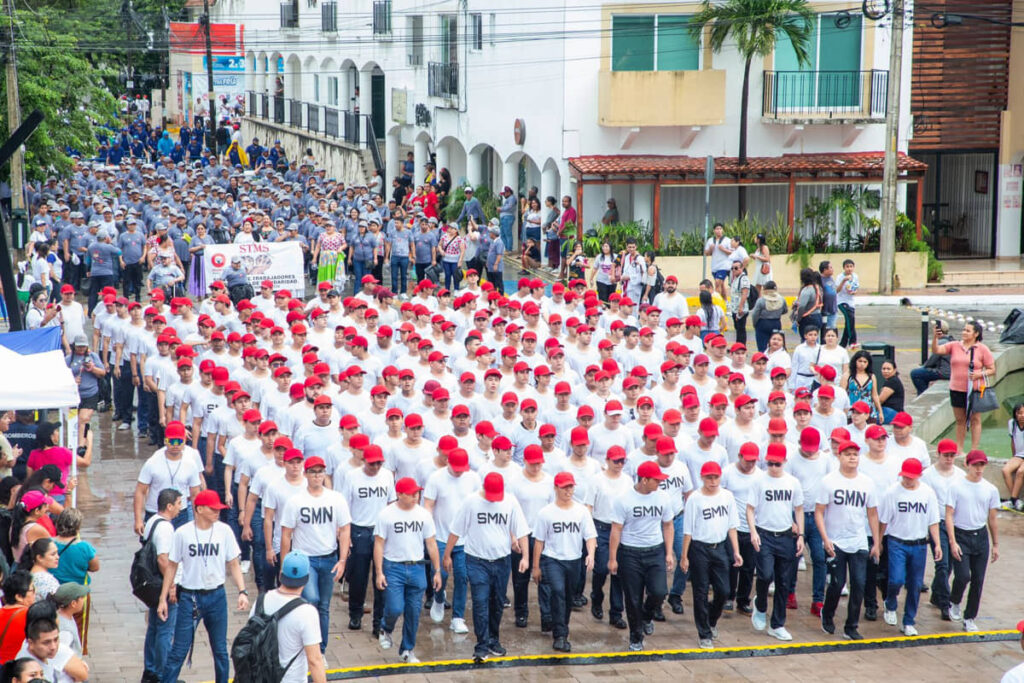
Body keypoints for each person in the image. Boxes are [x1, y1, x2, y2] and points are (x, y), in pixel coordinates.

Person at [158, 489, 249, 683]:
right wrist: (163, 598)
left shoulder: (224, 531)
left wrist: (242, 591)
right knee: (179, 650)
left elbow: (233, 563)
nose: (217, 512)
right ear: (199, 509)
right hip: (190, 597)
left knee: (220, 650)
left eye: (219, 509)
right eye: (213, 509)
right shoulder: (182, 533)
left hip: (217, 595)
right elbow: (172, 566)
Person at [444, 472, 529, 663]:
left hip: (502, 560)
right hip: (477, 561)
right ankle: (481, 646)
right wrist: (447, 554)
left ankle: (493, 639)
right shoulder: (471, 502)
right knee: (480, 602)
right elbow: (456, 530)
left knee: (497, 603)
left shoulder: (510, 501)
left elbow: (522, 530)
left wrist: (525, 556)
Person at [279, 456, 351, 658]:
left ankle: (320, 651)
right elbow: (286, 533)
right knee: (312, 599)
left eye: (320, 472)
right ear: (306, 474)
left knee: (324, 607)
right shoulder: (296, 501)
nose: (317, 475)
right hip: (304, 559)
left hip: (328, 557)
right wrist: (285, 564)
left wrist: (342, 560)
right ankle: (306, 644)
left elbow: (345, 529)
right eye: (313, 472)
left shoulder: (336, 499)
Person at [815, 440, 881, 640]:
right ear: (839, 456)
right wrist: (825, 538)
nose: (852, 457)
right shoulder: (829, 481)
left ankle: (851, 626)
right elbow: (819, 512)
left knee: (859, 584)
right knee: (837, 583)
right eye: (848, 454)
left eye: (855, 454)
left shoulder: (867, 482)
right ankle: (827, 613)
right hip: (836, 541)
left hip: (859, 541)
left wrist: (876, 543)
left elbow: (872, 514)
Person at [373, 477, 441, 663]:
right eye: (411, 494)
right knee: (395, 607)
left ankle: (407, 649)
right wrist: (379, 572)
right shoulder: (386, 514)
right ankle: (386, 627)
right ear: (399, 495)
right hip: (393, 566)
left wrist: (437, 570)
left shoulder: (423, 515)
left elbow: (431, 543)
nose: (416, 496)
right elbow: (379, 544)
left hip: (417, 566)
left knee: (413, 611)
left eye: (417, 492)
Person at [608, 461, 674, 652]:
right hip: (630, 553)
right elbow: (616, 530)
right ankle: (636, 635)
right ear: (644, 480)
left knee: (659, 591)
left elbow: (668, 525)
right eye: (656, 480)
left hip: (655, 550)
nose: (659, 484)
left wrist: (669, 553)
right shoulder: (624, 500)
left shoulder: (663, 497)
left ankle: (646, 615)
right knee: (633, 598)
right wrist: (613, 558)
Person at [532, 472, 597, 652]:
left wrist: (590, 554)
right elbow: (539, 541)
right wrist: (536, 566)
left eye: (571, 487)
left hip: (574, 560)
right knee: (558, 592)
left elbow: (590, 536)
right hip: (552, 559)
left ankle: (561, 625)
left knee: (568, 597)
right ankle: (560, 635)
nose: (569, 491)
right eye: (565, 487)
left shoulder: (581, 511)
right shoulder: (546, 513)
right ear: (556, 488)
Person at [682, 461, 742, 649]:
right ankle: (704, 633)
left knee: (724, 590)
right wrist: (684, 556)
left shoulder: (727, 496)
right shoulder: (695, 499)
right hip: (699, 548)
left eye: (716, 477)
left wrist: (736, 551)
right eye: (709, 477)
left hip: (720, 547)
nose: (713, 481)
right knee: (700, 591)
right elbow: (688, 530)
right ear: (702, 478)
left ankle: (711, 619)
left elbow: (732, 526)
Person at [878, 458, 941, 636]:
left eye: (911, 477)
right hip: (897, 541)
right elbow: (884, 520)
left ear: (919, 476)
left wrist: (937, 544)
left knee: (915, 584)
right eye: (905, 477)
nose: (908, 480)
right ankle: (890, 603)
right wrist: (879, 542)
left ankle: (908, 621)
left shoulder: (927, 493)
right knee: (896, 579)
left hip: (919, 544)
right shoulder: (892, 492)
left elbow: (933, 521)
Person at [748, 443, 803, 641]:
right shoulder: (759, 481)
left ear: (784, 463)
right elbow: (750, 508)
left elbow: (798, 508)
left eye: (777, 464)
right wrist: (753, 532)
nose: (773, 467)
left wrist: (801, 535)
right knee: (764, 575)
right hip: (765, 534)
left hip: (786, 535)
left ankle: (777, 623)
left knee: (784, 582)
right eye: (770, 463)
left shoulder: (792, 482)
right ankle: (760, 604)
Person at [946, 449, 1000, 633]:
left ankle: (970, 617)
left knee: (978, 579)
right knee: (963, 576)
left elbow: (992, 518)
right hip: (961, 534)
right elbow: (949, 514)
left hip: (980, 536)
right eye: (975, 465)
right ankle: (954, 600)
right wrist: (953, 541)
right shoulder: (955, 486)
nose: (978, 469)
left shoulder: (990, 489)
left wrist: (996, 544)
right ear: (967, 465)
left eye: (981, 465)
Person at [930, 321, 995, 453]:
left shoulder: (982, 349)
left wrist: (979, 374)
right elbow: (937, 350)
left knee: (975, 419)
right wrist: (935, 338)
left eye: (968, 331)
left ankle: (974, 449)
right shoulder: (954, 345)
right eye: (964, 330)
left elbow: (991, 369)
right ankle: (959, 448)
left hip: (974, 389)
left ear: (976, 334)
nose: (964, 332)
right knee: (960, 420)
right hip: (956, 388)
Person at [141, 489, 182, 683]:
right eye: (179, 503)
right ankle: (163, 673)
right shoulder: (166, 528)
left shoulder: (152, 521)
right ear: (170, 506)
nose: (181, 507)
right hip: (161, 584)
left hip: (151, 583)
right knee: (166, 629)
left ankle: (151, 669)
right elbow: (163, 559)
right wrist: (171, 585)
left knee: (155, 629)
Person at [16, 614, 89, 683]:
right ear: (31, 643)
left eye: (56, 639)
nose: (53, 647)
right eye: (46, 642)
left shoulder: (44, 655)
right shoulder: (27, 668)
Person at [66, 335, 105, 448]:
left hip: (90, 394)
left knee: (83, 418)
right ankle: (79, 439)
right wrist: (72, 380)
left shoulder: (93, 356)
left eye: (83, 346)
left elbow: (102, 373)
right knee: (74, 420)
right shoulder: (69, 359)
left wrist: (92, 368)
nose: (81, 349)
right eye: (79, 347)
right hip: (74, 395)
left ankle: (81, 445)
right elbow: (62, 375)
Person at [0, 571, 35, 663]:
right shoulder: (30, 615)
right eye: (32, 590)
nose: (35, 593)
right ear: (19, 596)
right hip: (19, 666)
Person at [910, 320, 952, 394]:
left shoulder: (940, 343)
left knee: (915, 373)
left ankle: (922, 394)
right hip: (950, 370)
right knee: (924, 373)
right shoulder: (950, 339)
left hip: (945, 372)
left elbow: (931, 361)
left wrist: (923, 367)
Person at [52, 582, 89, 656]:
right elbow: (61, 655)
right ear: (73, 603)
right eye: (81, 598)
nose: (84, 600)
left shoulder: (63, 615)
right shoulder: (65, 631)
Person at [749, 281, 787, 352]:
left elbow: (755, 314)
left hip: (763, 323)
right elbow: (785, 310)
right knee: (776, 345)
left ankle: (763, 361)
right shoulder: (782, 299)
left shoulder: (761, 301)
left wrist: (755, 324)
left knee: (762, 347)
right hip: (776, 322)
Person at [791, 268, 823, 341]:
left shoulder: (807, 290)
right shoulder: (817, 288)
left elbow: (802, 306)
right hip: (817, 316)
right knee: (815, 340)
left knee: (806, 341)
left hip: (808, 318)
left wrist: (798, 320)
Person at [704, 223, 732, 301]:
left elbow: (732, 252)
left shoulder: (727, 240)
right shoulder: (710, 240)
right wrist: (710, 249)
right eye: (717, 229)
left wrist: (723, 249)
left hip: (724, 266)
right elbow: (706, 253)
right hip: (715, 266)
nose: (718, 230)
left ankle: (717, 302)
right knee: (721, 285)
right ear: (714, 230)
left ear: (722, 230)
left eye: (720, 229)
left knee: (717, 282)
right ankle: (725, 302)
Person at [836, 258, 860, 348]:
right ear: (844, 268)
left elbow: (856, 287)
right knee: (850, 318)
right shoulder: (840, 277)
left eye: (851, 266)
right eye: (847, 267)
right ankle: (852, 341)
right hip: (842, 301)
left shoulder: (855, 276)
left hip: (851, 301)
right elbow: (837, 290)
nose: (849, 268)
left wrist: (854, 292)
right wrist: (844, 281)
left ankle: (843, 344)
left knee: (849, 321)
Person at [728, 261, 751, 345]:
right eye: (732, 268)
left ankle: (741, 346)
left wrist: (740, 308)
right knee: (737, 328)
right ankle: (738, 345)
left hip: (741, 309)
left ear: (741, 268)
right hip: (735, 308)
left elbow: (744, 293)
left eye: (736, 268)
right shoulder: (735, 279)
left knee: (741, 329)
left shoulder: (743, 278)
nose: (734, 270)